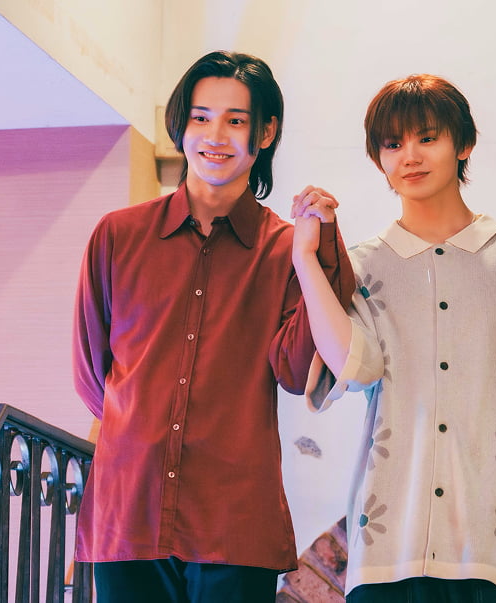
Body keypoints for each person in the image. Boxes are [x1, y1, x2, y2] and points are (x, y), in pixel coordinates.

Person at [291, 74, 496, 601]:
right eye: (393, 144)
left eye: (428, 137)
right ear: (379, 158)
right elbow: (353, 369)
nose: (409, 156)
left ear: (464, 144)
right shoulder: (361, 267)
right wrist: (306, 259)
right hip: (391, 550)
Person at [72, 50, 353, 602]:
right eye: (201, 118)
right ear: (181, 126)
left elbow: (297, 372)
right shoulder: (117, 236)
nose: (215, 136)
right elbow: (91, 378)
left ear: (264, 132)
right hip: (128, 516)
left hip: (234, 522)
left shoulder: (285, 250)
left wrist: (313, 253)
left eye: (235, 120)